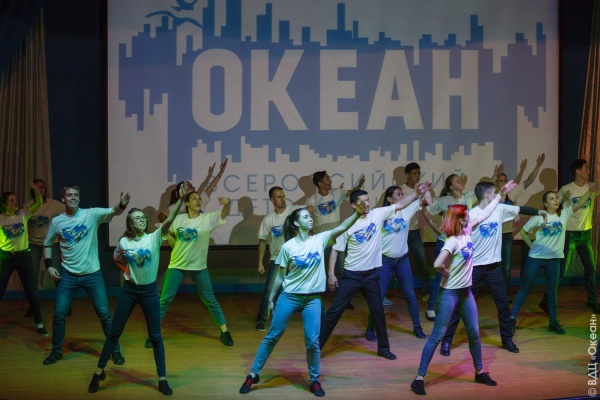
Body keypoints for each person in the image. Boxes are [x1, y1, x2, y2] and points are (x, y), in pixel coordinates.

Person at [239, 204, 366, 397]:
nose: (310, 218)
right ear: (297, 223)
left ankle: (314, 380)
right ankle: (253, 374)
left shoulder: (320, 239)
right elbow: (280, 276)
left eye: (310, 216)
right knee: (272, 336)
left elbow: (342, 227)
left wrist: (357, 214)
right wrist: (271, 299)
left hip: (312, 299)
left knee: (312, 342)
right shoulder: (288, 247)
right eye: (306, 217)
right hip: (289, 297)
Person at [410, 180, 515, 396]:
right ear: (458, 219)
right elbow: (437, 263)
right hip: (449, 294)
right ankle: (419, 378)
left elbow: (486, 213)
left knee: (474, 334)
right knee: (437, 335)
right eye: (465, 216)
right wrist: (446, 273)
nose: (469, 217)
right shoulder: (452, 241)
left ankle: (479, 372)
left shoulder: (467, 231)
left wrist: (501, 194)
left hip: (466, 293)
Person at [88, 183, 188, 396]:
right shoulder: (124, 242)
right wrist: (125, 270)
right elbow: (116, 258)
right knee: (114, 332)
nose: (142, 220)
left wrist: (180, 199)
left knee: (156, 336)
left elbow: (169, 220)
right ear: (131, 224)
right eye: (137, 218)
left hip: (149, 292)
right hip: (129, 291)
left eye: (143, 217)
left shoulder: (154, 237)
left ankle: (162, 378)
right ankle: (98, 372)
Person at [319, 182, 432, 360]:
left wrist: (417, 193)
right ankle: (316, 347)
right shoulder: (348, 225)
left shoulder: (377, 214)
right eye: (362, 201)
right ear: (354, 205)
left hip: (371, 275)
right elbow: (336, 250)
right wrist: (331, 274)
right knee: (334, 312)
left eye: (368, 200)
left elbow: (400, 205)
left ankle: (384, 348)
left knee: (379, 312)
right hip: (352, 275)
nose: (367, 204)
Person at [439, 181, 546, 356]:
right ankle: (446, 341)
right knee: (460, 305)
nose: (498, 195)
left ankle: (507, 340)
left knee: (503, 304)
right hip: (473, 268)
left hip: (493, 268)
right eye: (495, 192)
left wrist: (540, 212)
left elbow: (520, 209)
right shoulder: (471, 215)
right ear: (487, 195)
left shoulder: (500, 209)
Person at [42, 185, 131, 365]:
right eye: (69, 195)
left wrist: (122, 204)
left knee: (104, 314)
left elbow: (114, 211)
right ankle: (56, 352)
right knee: (59, 314)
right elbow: (47, 244)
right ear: (63, 199)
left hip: (92, 275)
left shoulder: (91, 215)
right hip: (68, 275)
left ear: (79, 198)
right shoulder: (57, 221)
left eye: (76, 195)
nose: (73, 198)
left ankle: (115, 351)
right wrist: (49, 266)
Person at [144, 191, 233, 348]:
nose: (198, 200)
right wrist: (174, 244)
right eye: (194, 198)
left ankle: (224, 331)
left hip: (199, 266)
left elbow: (224, 213)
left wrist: (228, 203)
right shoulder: (178, 219)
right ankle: (153, 333)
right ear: (187, 203)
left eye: (199, 198)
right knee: (164, 300)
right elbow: (167, 233)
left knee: (210, 300)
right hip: (177, 265)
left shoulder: (207, 219)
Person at [511, 184, 598, 335]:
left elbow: (579, 203)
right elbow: (524, 232)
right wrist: (532, 246)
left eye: (556, 198)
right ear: (545, 204)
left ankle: (553, 322)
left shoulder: (564, 214)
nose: (556, 200)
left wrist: (590, 191)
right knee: (525, 288)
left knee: (552, 292)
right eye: (551, 199)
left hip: (553, 260)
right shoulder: (539, 217)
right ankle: (511, 318)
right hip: (536, 258)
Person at [363, 185, 434, 342]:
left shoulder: (406, 211)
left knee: (410, 295)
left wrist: (426, 189)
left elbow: (425, 201)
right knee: (379, 296)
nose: (402, 196)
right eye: (398, 194)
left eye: (402, 194)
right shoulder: (381, 213)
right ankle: (370, 328)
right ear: (389, 199)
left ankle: (417, 327)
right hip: (385, 261)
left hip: (402, 260)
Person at [539, 159, 600, 313]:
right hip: (569, 233)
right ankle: (546, 301)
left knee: (591, 269)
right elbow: (552, 208)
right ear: (578, 171)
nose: (588, 171)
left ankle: (592, 301)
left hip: (585, 234)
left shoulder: (591, 187)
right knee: (562, 270)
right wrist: (562, 200)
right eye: (586, 169)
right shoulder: (566, 189)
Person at [305, 171, 366, 310]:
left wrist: (359, 185)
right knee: (317, 269)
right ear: (320, 183)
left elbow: (352, 192)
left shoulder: (337, 193)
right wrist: (310, 232)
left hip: (338, 239)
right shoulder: (312, 200)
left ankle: (343, 300)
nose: (331, 181)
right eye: (327, 178)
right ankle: (312, 300)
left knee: (342, 269)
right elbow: (304, 218)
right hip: (321, 241)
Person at [423, 173, 478, 321]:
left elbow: (483, 190)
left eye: (461, 180)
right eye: (458, 181)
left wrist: (495, 177)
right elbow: (425, 208)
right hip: (445, 241)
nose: (461, 182)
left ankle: (458, 307)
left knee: (463, 274)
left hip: (462, 242)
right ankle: (431, 307)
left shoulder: (469, 197)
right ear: (451, 187)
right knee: (440, 275)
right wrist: (431, 223)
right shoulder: (443, 201)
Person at [0, 181, 48, 335]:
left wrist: (35, 189)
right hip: (6, 257)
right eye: (11, 200)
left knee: (31, 290)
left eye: (16, 200)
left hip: (23, 257)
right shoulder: (1, 219)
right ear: (4, 204)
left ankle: (39, 323)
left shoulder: (23, 214)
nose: (15, 202)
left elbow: (38, 202)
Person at [493, 154, 545, 295]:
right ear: (496, 183)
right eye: (500, 180)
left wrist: (538, 165)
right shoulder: (491, 194)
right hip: (493, 235)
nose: (503, 182)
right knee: (493, 265)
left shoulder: (512, 193)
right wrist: (494, 175)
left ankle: (504, 293)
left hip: (507, 235)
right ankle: (495, 290)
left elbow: (529, 181)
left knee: (506, 266)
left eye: (505, 180)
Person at [255, 186, 303, 331]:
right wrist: (260, 262)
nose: (283, 199)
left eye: (283, 196)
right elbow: (262, 241)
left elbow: (309, 209)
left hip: (294, 258)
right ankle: (261, 319)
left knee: (305, 286)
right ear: (272, 200)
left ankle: (319, 316)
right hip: (277, 259)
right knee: (270, 289)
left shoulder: (292, 212)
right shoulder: (268, 219)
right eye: (279, 197)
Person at [25, 179, 66, 317]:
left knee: (56, 274)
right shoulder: (27, 206)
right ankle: (33, 306)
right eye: (36, 188)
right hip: (33, 244)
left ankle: (63, 305)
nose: (40, 190)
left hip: (51, 244)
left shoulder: (53, 204)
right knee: (32, 276)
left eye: (42, 187)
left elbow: (69, 212)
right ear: (32, 190)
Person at [156, 159, 228, 222]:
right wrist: (172, 231)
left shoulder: (200, 200)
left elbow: (211, 186)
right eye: (190, 186)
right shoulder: (177, 206)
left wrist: (221, 172)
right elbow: (161, 216)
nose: (194, 188)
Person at [401, 163, 434, 302]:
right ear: (407, 174)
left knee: (422, 262)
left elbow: (426, 206)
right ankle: (387, 293)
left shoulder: (419, 189)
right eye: (414, 173)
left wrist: (426, 192)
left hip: (414, 232)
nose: (417, 176)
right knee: (395, 263)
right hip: (401, 233)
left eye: (418, 173)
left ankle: (426, 291)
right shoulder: (400, 190)